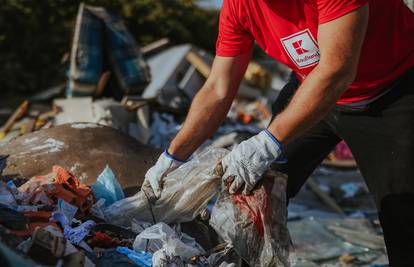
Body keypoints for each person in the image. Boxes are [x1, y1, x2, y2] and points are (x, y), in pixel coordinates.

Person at [142, 0, 414, 265]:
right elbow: (218, 88)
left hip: (391, 93)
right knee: (252, 186)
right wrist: (172, 157)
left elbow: (337, 70)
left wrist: (268, 141)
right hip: (310, 86)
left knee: (402, 218)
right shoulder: (239, 6)